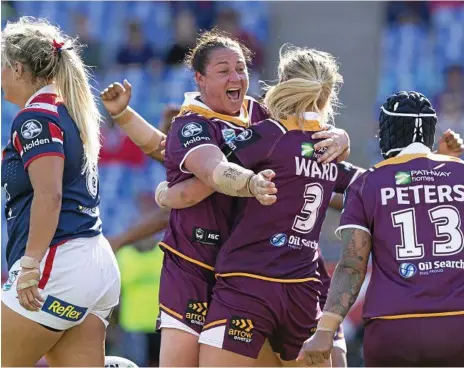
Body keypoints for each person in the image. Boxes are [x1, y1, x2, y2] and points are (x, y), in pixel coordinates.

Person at [102, 31, 350, 367]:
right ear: (200, 79)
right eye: (223, 70)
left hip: (249, 270)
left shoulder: (263, 117)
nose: (236, 77)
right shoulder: (191, 123)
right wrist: (125, 119)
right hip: (196, 266)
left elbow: (305, 161)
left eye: (241, 68)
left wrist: (339, 136)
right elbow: (205, 169)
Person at [298, 91, 464, 366]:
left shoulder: (367, 183)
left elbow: (353, 265)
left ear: (387, 130)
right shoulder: (460, 172)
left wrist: (326, 328)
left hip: (393, 329)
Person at [1, 17, 120, 366]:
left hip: (59, 262)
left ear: (19, 68)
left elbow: (49, 195)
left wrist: (30, 266)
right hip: (94, 263)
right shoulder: (67, 110)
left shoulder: (34, 118)